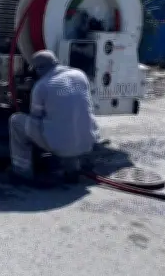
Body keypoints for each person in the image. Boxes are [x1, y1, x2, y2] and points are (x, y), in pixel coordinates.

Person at [9, 50, 101, 183]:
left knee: (16, 121)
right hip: (87, 143)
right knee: (71, 120)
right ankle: (72, 168)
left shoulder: (42, 86)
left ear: (39, 69)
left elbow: (36, 119)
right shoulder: (80, 75)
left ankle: (21, 172)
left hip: (59, 145)